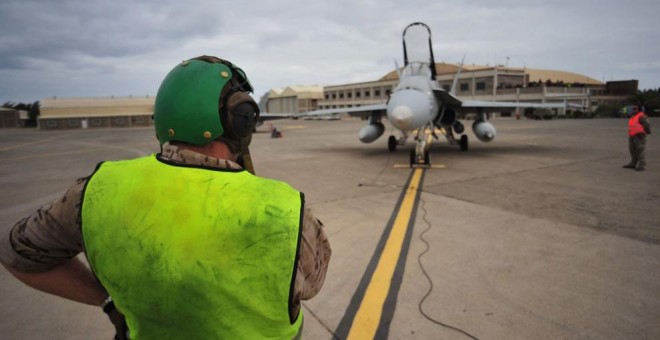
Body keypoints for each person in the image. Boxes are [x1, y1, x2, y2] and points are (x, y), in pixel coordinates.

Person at [0, 55, 331, 339]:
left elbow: (16, 253)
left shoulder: (96, 190)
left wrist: (107, 301)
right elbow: (312, 284)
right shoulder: (285, 209)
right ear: (240, 121)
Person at [623, 105, 651, 171]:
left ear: (640, 109)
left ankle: (642, 165)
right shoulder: (633, 116)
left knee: (640, 150)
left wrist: (644, 133)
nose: (633, 110)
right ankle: (633, 163)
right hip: (632, 135)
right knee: (632, 150)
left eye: (635, 109)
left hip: (639, 135)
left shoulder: (642, 116)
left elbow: (646, 125)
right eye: (633, 109)